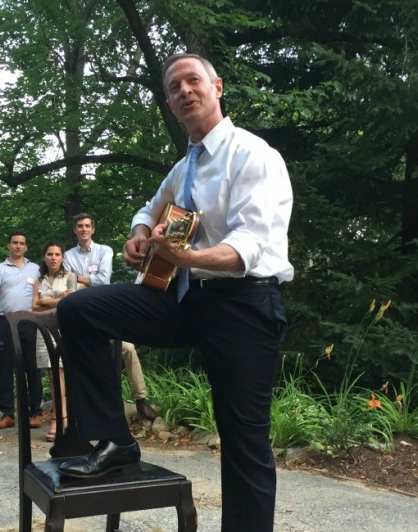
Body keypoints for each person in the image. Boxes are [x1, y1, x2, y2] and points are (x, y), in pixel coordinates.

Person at [55, 54, 292, 532]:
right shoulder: (185, 166)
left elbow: (249, 247)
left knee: (244, 440)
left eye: (193, 80)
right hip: (185, 300)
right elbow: (150, 207)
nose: (185, 90)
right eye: (174, 86)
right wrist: (138, 235)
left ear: (217, 87)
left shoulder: (252, 154)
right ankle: (114, 440)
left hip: (244, 305)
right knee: (80, 310)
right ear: (169, 102)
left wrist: (189, 259)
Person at [63, 213, 158, 421]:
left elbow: (103, 281)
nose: (84, 229)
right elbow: (70, 286)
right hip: (80, 315)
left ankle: (141, 400)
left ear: (93, 229)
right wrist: (86, 281)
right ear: (75, 230)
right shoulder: (67, 255)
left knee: (128, 348)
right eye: (80, 226)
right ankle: (90, 407)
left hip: (102, 310)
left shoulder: (104, 250)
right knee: (84, 355)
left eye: (87, 226)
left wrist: (81, 279)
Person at [0, 231, 43, 430]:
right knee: (5, 367)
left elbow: (43, 293)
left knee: (31, 367)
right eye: (14, 242)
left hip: (29, 321)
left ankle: (35, 412)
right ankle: (7, 413)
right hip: (4, 321)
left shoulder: (35, 268)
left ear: (26, 247)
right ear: (8, 245)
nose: (18, 246)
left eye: (22, 243)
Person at [32, 241, 77, 442]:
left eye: (57, 254)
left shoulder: (70, 277)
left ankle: (60, 419)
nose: (53, 257)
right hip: (43, 330)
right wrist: (57, 300)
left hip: (64, 329)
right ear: (44, 257)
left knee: (62, 373)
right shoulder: (38, 281)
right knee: (52, 374)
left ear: (62, 257)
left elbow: (71, 302)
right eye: (49, 254)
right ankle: (61, 417)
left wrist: (45, 301)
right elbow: (34, 307)